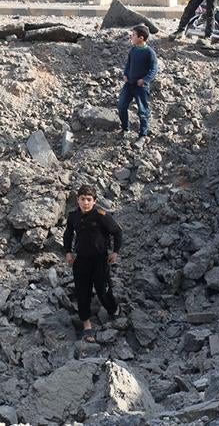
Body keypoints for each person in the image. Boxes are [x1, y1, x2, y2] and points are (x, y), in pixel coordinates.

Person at [63, 185, 123, 343]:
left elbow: (117, 232)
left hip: (100, 260)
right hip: (81, 260)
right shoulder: (73, 216)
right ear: (77, 200)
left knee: (103, 290)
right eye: (82, 199)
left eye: (89, 199)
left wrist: (115, 252)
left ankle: (113, 310)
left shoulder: (101, 215)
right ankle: (86, 324)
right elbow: (68, 234)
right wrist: (68, 251)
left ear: (94, 201)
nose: (85, 203)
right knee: (82, 292)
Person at [118, 25, 159, 147]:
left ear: (141, 38)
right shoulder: (133, 50)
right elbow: (128, 65)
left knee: (143, 111)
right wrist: (125, 74)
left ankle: (142, 135)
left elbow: (154, 70)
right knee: (121, 106)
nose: (131, 37)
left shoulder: (149, 52)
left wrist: (145, 80)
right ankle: (125, 128)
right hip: (129, 84)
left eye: (133, 35)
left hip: (141, 87)